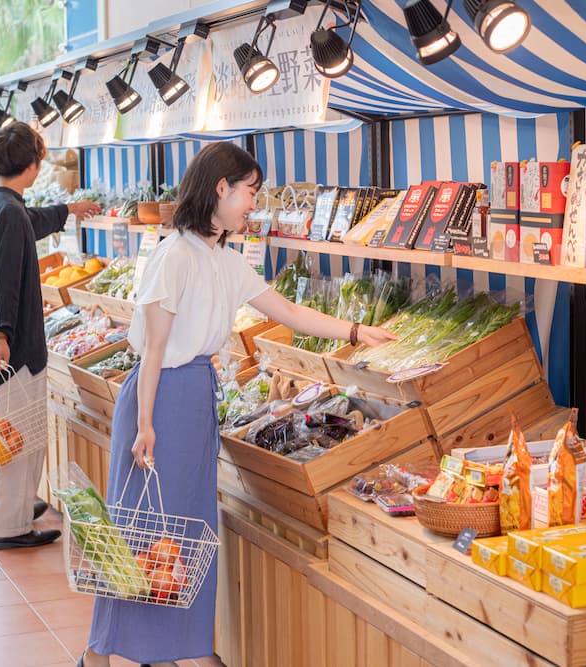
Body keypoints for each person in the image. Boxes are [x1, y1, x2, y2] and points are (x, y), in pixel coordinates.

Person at [77, 142, 396, 667]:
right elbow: (155, 350)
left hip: (195, 396)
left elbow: (288, 312)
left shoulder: (224, 261)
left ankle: (187, 648)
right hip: (159, 400)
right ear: (220, 188)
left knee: (190, 528)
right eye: (249, 191)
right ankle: (101, 652)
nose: (254, 201)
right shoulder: (172, 255)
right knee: (141, 527)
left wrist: (358, 331)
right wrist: (145, 425)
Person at [0, 122, 100, 550]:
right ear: (34, 164)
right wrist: (1, 335)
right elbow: (4, 281)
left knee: (0, 433)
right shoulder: (7, 212)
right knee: (18, 439)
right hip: (11, 349)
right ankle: (10, 526)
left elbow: (28, 221)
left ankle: (15, 509)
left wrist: (68, 211)